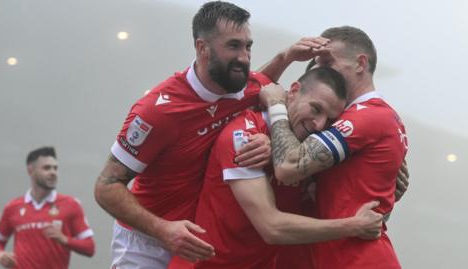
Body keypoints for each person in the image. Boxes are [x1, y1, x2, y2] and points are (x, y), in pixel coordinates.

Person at [93, 1, 328, 268]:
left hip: (195, 240)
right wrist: (163, 230)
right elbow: (106, 187)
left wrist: (270, 139)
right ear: (202, 48)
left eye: (248, 46)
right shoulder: (156, 111)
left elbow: (259, 86)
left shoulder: (241, 84)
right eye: (233, 46)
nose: (244, 57)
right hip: (146, 241)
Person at [193, 66, 383, 269]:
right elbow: (271, 228)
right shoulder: (246, 137)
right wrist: (353, 226)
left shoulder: (311, 150)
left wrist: (389, 181)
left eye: (329, 120)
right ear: (293, 92)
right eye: (316, 109)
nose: (319, 125)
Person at [260, 26, 408, 269]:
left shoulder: (369, 116)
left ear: (360, 63)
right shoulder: (353, 117)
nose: (320, 69)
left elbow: (289, 166)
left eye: (328, 61)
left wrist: (276, 105)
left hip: (360, 260)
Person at [0, 146, 95, 269]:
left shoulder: (71, 205)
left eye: (55, 168)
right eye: (46, 168)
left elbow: (90, 248)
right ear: (30, 171)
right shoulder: (13, 207)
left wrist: (64, 239)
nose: (53, 172)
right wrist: (0, 254)